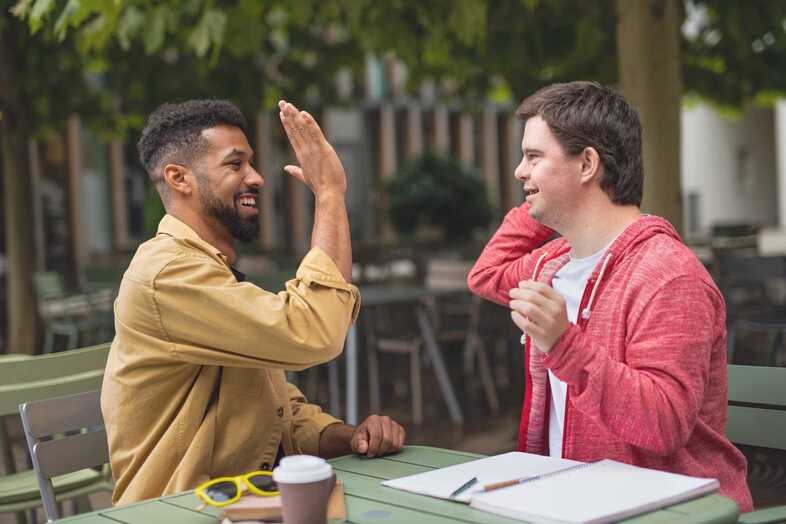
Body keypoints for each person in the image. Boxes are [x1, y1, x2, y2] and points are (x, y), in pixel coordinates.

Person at [101, 99, 405, 505]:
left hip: (243, 500)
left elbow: (275, 412)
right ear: (179, 178)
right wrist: (330, 194)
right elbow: (313, 331)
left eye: (252, 163)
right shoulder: (168, 273)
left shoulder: (207, 268)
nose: (257, 178)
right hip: (181, 509)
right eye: (235, 164)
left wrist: (351, 437)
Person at [467, 81, 752, 511]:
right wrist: (545, 201)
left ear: (587, 164)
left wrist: (564, 345)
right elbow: (486, 274)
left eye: (533, 157)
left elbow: (664, 424)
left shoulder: (669, 276)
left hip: (669, 512)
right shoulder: (554, 263)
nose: (518, 171)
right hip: (573, 501)